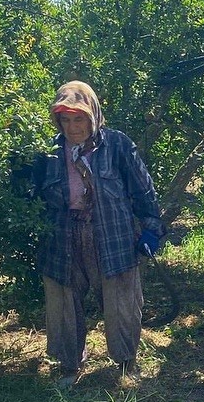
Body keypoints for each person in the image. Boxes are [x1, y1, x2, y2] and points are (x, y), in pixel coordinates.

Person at [33, 81, 164, 386]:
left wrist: (152, 230)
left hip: (113, 235)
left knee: (122, 302)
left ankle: (125, 362)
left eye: (79, 119)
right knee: (62, 301)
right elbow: (33, 199)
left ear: (93, 117)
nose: (73, 127)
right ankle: (69, 365)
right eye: (65, 119)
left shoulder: (117, 145)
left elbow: (144, 191)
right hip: (63, 237)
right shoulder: (49, 152)